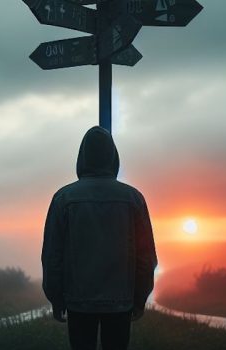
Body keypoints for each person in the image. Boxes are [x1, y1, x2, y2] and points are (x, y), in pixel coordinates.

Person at [42, 126, 158, 350]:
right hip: (120, 303)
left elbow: (52, 255)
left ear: (82, 157)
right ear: (113, 157)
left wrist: (56, 298)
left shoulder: (63, 199)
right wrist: (140, 298)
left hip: (78, 303)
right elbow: (146, 257)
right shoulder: (133, 199)